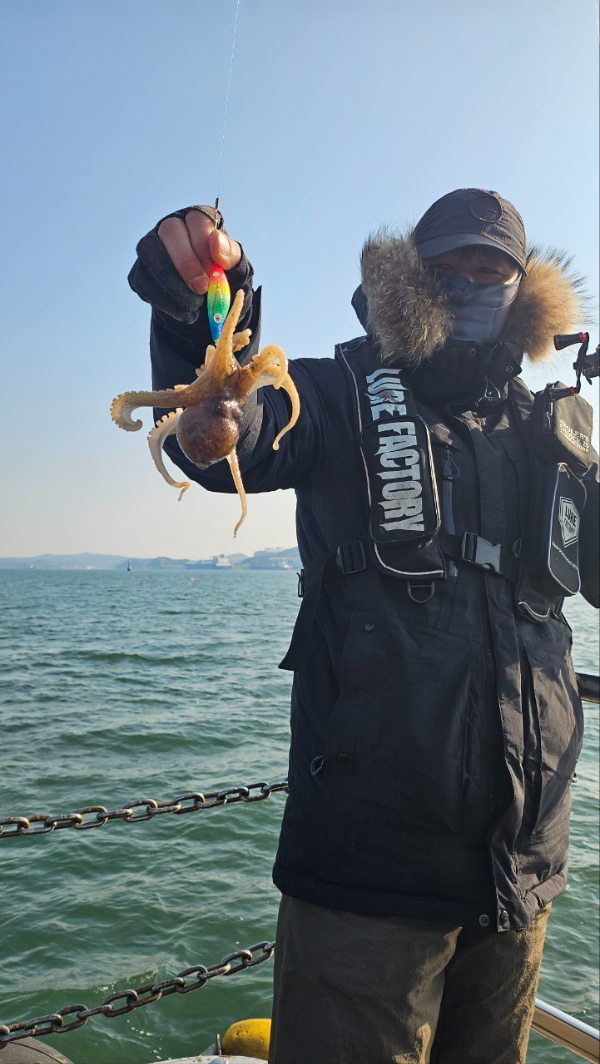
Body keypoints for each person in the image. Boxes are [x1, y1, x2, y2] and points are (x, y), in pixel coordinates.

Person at [128, 189, 599, 1064]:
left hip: (522, 869)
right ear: (411, 278)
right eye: (448, 267)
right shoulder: (335, 390)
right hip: (367, 868)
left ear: (522, 291)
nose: (469, 283)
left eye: (490, 269)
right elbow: (240, 425)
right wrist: (196, 308)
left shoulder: (550, 431)